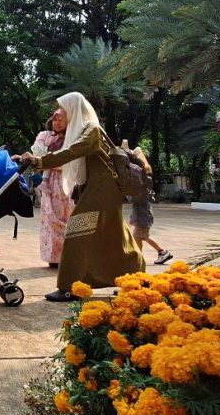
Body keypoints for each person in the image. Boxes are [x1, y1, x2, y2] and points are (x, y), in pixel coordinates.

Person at [18, 92, 145, 301]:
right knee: (114, 235)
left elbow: (72, 152)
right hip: (99, 189)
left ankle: (70, 287)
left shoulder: (91, 130)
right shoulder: (85, 129)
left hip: (102, 190)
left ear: (74, 109)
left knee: (76, 232)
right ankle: (134, 278)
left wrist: (39, 161)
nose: (61, 114)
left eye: (65, 110)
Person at [32, 109, 72, 268]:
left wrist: (49, 159)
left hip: (67, 181)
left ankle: (67, 256)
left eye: (61, 120)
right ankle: (54, 257)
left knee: (67, 217)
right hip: (51, 183)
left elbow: (69, 162)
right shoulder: (45, 135)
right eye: (55, 119)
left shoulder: (74, 137)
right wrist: (51, 159)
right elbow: (38, 153)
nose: (57, 123)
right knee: (50, 219)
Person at [129, 189, 173, 264]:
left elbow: (132, 200)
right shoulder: (143, 191)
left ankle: (139, 259)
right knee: (144, 237)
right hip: (142, 218)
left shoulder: (141, 192)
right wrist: (132, 218)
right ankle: (162, 252)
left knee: (138, 237)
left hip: (142, 219)